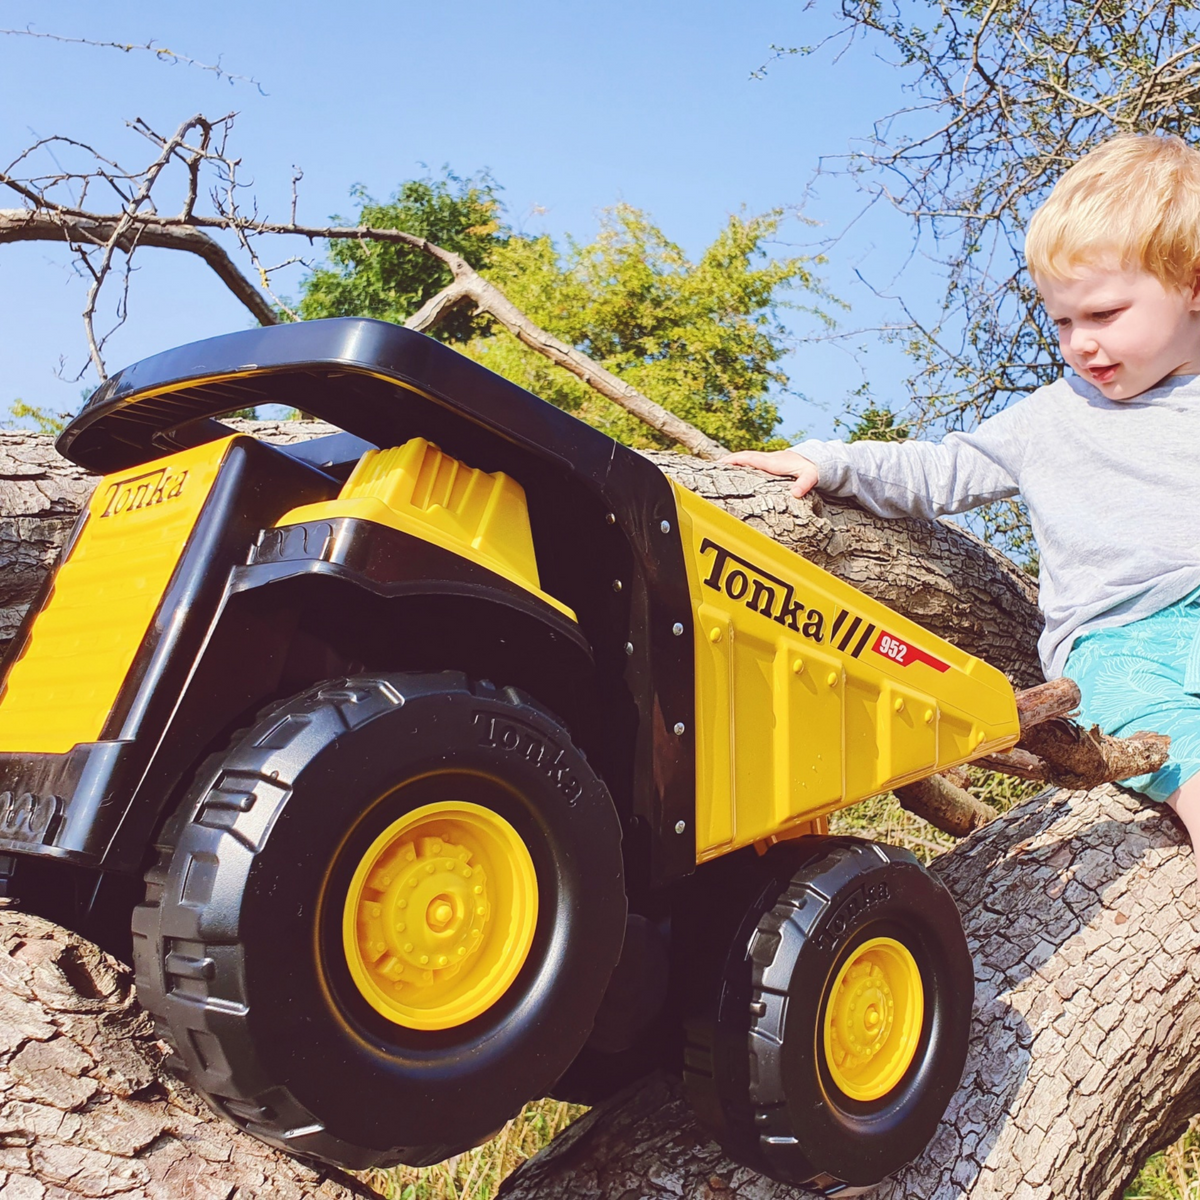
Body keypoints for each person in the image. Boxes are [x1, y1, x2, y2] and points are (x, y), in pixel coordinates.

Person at [721, 133, 1200, 882]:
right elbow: (939, 469)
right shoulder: (1050, 418)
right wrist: (829, 459)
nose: (1080, 345)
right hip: (1124, 639)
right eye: (1062, 322)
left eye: (1105, 315)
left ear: (1193, 285)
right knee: (1184, 757)